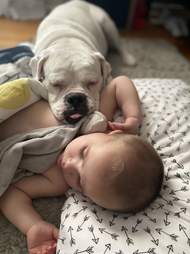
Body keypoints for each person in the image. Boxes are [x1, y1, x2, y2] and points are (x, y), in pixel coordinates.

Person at [0, 76, 164, 254]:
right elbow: (120, 83)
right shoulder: (96, 122)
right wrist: (133, 117)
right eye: (84, 153)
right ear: (111, 133)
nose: (69, 165)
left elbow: (12, 194)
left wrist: (33, 226)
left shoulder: (57, 181)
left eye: (79, 180)